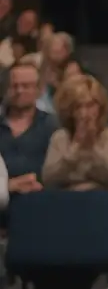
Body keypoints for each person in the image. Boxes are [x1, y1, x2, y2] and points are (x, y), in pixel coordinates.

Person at [38, 75, 108, 289]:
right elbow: (50, 177)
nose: (86, 113)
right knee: (50, 252)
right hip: (64, 214)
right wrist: (76, 149)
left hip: (100, 216)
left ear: (100, 107)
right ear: (70, 110)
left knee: (86, 249)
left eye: (91, 105)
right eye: (79, 106)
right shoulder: (60, 139)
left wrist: (94, 153)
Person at [0, 61, 57, 200]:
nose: (19, 91)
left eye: (26, 86)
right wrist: (6, 186)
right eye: (14, 86)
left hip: (41, 202)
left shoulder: (53, 126)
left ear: (39, 90)